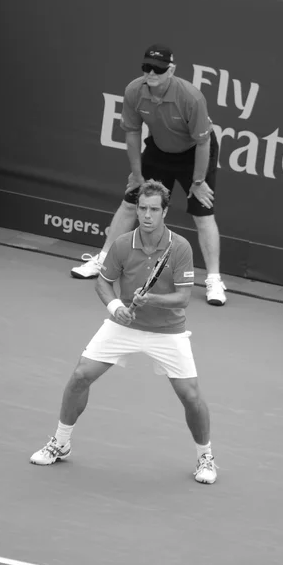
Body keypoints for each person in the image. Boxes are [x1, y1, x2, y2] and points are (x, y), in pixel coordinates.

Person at [30, 180, 217, 485]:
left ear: (164, 212)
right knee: (80, 376)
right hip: (124, 325)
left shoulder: (180, 247)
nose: (146, 215)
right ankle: (60, 442)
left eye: (153, 209)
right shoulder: (121, 244)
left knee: (191, 396)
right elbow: (102, 282)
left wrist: (152, 299)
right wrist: (116, 306)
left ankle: (205, 457)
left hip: (167, 331)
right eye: (142, 208)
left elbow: (183, 298)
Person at [71, 43, 227, 307]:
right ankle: (104, 259)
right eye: (147, 67)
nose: (151, 73)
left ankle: (214, 279)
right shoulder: (134, 90)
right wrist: (137, 173)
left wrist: (198, 182)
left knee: (203, 214)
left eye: (158, 68)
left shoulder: (191, 97)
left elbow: (203, 143)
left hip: (194, 152)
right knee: (131, 201)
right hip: (159, 149)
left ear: (171, 70)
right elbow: (132, 132)